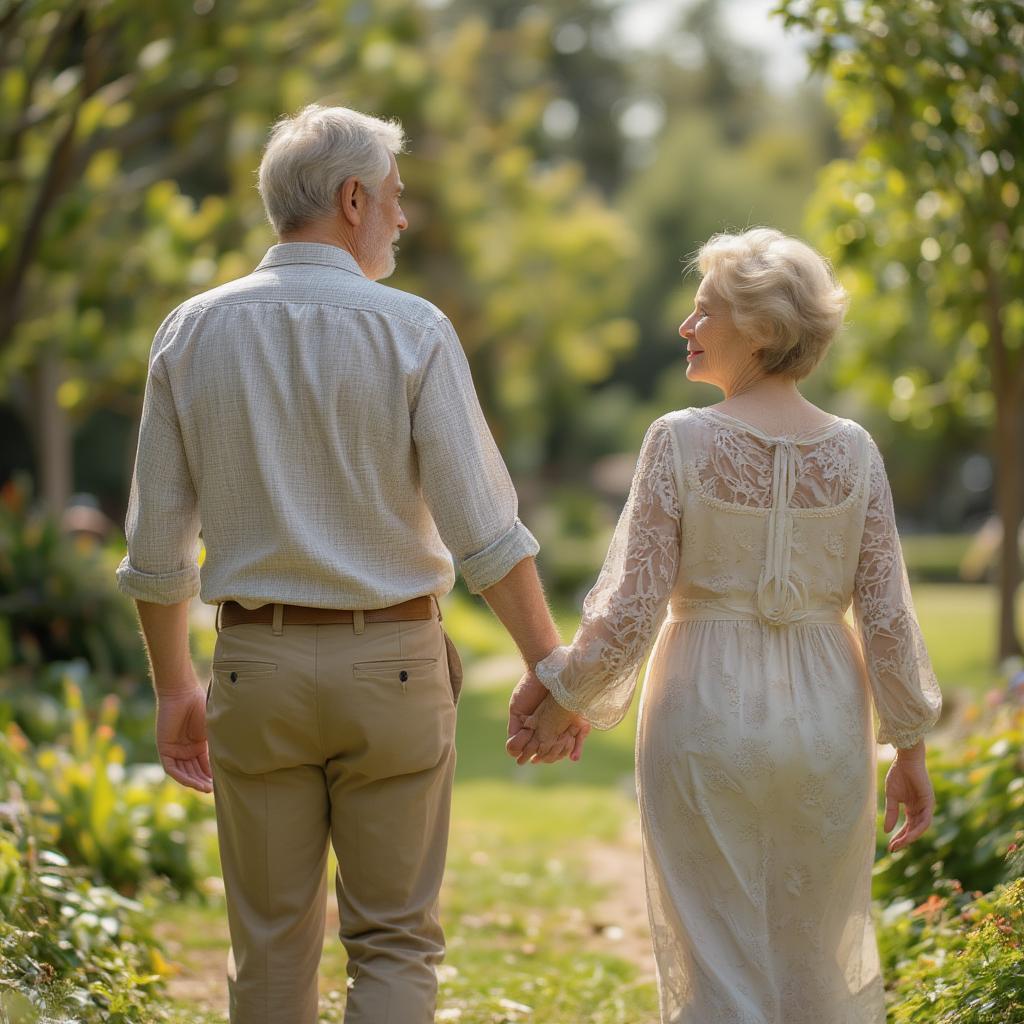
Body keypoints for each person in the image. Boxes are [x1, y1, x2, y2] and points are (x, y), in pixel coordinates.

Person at [116, 104, 586, 1024]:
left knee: (270, 948)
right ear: (353, 197)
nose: (403, 220)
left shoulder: (189, 332)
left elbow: (155, 547)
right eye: (397, 200)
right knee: (397, 941)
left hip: (257, 670)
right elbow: (486, 532)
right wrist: (548, 667)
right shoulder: (413, 331)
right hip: (395, 667)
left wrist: (176, 687)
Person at [507, 227, 942, 1023]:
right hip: (825, 720)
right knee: (815, 958)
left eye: (704, 311)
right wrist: (908, 749)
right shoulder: (856, 452)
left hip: (704, 712)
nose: (685, 326)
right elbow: (887, 617)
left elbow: (632, 609)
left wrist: (561, 694)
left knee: (718, 964)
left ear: (763, 331)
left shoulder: (677, 440)